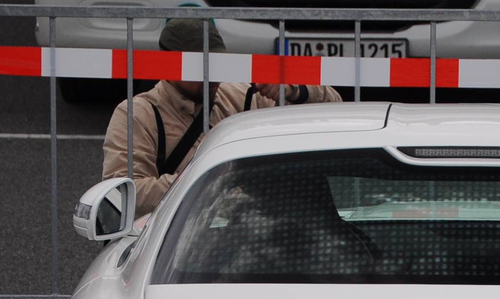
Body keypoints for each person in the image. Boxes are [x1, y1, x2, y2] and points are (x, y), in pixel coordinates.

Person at [101, 19, 342, 215]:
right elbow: (124, 194)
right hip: (178, 244)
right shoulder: (137, 114)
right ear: (170, 64)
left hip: (253, 229)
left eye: (217, 62)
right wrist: (211, 181)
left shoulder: (238, 95)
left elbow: (334, 108)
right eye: (201, 67)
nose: (212, 75)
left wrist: (295, 91)